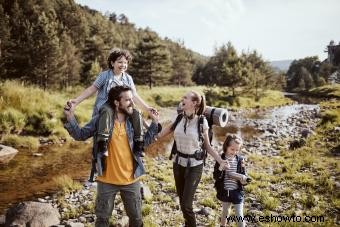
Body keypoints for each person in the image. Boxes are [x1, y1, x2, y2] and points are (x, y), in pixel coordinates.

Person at [64, 86, 160, 227]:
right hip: (106, 180)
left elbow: (144, 142)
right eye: (127, 100)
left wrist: (155, 122)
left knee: (137, 219)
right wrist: (70, 116)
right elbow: (80, 134)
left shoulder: (134, 121)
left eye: (132, 99)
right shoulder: (101, 119)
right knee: (102, 220)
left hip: (131, 179)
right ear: (116, 102)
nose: (132, 103)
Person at [156, 91, 228, 227]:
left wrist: (220, 160)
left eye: (185, 97)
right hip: (178, 165)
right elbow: (159, 135)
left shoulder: (202, 122)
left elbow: (207, 146)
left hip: (195, 166)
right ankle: (188, 224)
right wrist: (151, 122)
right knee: (182, 201)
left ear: (194, 103)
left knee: (186, 204)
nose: (182, 99)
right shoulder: (178, 118)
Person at [68, 48, 156, 155]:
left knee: (136, 113)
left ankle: (139, 144)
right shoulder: (105, 76)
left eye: (125, 62)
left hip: (123, 109)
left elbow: (135, 96)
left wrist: (147, 108)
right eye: (120, 62)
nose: (123, 65)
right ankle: (103, 143)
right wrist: (76, 101)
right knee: (107, 111)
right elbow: (92, 89)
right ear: (112, 63)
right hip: (106, 107)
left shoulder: (128, 78)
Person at [213, 134, 247, 227]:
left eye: (237, 150)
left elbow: (244, 175)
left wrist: (244, 180)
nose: (234, 152)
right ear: (226, 146)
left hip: (237, 191)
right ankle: (223, 225)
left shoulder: (240, 160)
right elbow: (216, 176)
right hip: (225, 191)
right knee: (225, 211)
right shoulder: (221, 159)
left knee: (239, 214)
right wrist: (220, 168)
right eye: (232, 149)